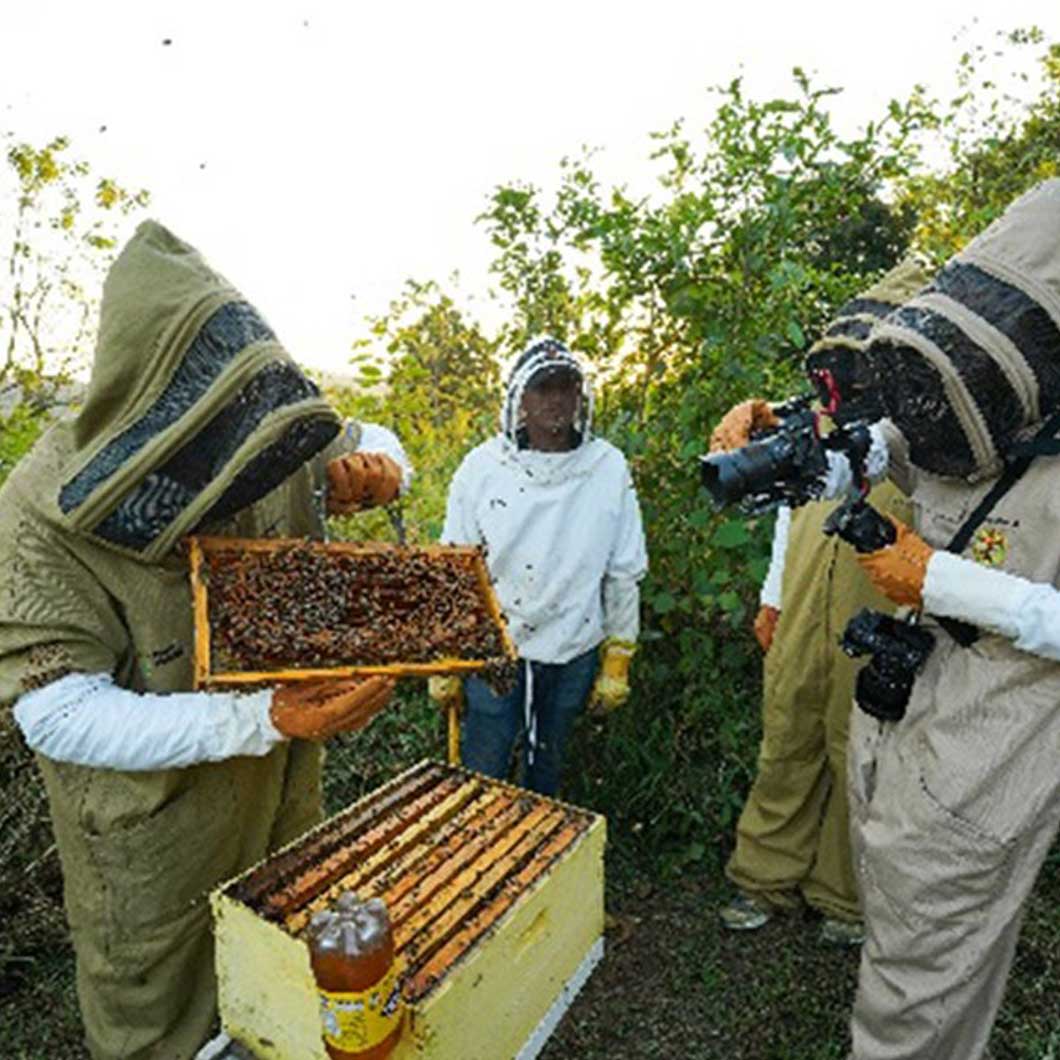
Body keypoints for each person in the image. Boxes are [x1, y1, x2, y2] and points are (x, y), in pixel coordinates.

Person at [0, 220, 412, 1060]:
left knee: (285, 994)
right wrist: (267, 717)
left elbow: (367, 439)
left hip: (280, 802)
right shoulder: (34, 514)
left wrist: (380, 468)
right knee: (168, 1031)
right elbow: (57, 713)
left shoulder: (262, 418)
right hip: (155, 844)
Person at [712, 178, 1060, 1060]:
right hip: (909, 721)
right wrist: (777, 451)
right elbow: (871, 450)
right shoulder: (983, 418)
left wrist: (939, 579)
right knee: (919, 959)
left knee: (915, 997)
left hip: (988, 753)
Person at [712, 262, 926, 946]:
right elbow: (786, 511)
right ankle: (763, 878)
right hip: (804, 592)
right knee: (789, 729)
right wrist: (773, 598)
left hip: (881, 598)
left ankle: (844, 897)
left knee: (858, 745)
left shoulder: (928, 428)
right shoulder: (821, 417)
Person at [428, 337, 647, 796]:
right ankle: (477, 854)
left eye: (566, 387)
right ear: (519, 400)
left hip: (574, 647)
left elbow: (624, 569)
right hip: (495, 648)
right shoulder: (482, 468)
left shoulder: (607, 467)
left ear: (580, 396)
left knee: (546, 772)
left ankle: (536, 864)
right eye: (543, 388)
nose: (557, 400)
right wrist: (445, 655)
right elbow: (454, 568)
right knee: (483, 770)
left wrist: (618, 657)